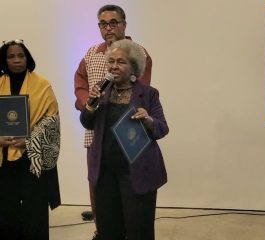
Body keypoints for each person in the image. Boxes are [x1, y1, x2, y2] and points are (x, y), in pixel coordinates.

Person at [74, 4, 152, 238]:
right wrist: (89, 103)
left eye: (113, 22)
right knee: (98, 182)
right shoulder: (91, 53)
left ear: (124, 24)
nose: (108, 28)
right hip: (96, 128)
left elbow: (143, 92)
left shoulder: (138, 53)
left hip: (128, 130)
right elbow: (80, 83)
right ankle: (103, 228)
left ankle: (131, 229)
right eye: (103, 24)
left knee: (130, 184)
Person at [80, 39, 168, 240]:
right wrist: (91, 105)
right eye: (111, 61)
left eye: (120, 62)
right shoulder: (101, 92)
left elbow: (162, 128)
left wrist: (148, 119)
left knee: (139, 229)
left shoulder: (148, 94)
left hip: (136, 173)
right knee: (109, 229)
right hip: (105, 173)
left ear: (133, 67)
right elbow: (86, 122)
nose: (114, 66)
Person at [0, 39, 61, 240]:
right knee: (5, 212)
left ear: (28, 58)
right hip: (3, 161)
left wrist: (28, 141)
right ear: (4, 59)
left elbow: (52, 122)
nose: (17, 60)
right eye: (11, 56)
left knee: (35, 213)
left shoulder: (42, 85)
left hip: (32, 161)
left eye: (21, 55)